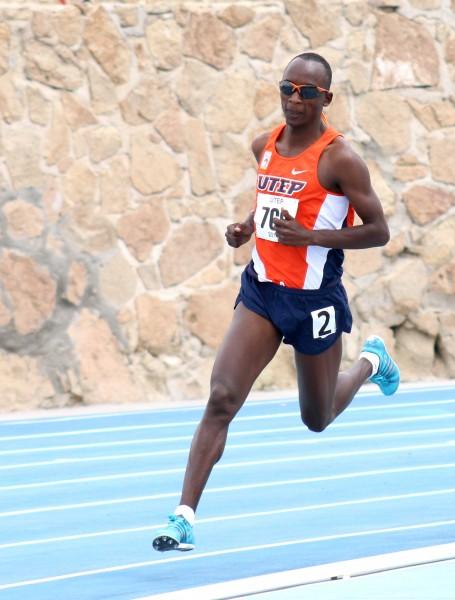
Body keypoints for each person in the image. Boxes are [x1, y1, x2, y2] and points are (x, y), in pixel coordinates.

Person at [153, 52, 400, 552]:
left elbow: (378, 231)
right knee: (222, 397)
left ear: (325, 99)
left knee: (318, 416)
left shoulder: (340, 158)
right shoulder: (266, 144)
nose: (294, 99)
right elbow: (271, 200)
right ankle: (183, 517)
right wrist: (249, 225)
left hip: (314, 301)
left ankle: (371, 362)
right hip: (263, 291)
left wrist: (310, 235)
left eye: (307, 93)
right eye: (287, 88)